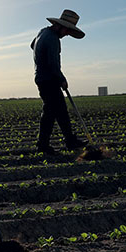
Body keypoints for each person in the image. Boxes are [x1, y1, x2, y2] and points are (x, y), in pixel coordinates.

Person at [31, 9, 87, 155]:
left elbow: (32, 45)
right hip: (49, 79)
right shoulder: (53, 39)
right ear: (60, 26)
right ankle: (44, 145)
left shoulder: (42, 32)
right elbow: (53, 63)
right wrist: (62, 79)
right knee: (52, 112)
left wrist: (39, 56)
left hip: (41, 78)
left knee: (58, 111)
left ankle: (68, 140)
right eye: (67, 30)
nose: (67, 33)